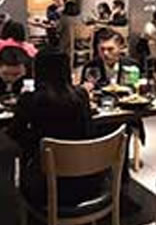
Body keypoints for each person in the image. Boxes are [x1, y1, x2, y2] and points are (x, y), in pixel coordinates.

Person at [8, 51, 101, 215]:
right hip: (87, 182)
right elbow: (89, 131)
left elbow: (12, 136)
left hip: (45, 188)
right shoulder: (81, 96)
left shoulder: (29, 100)